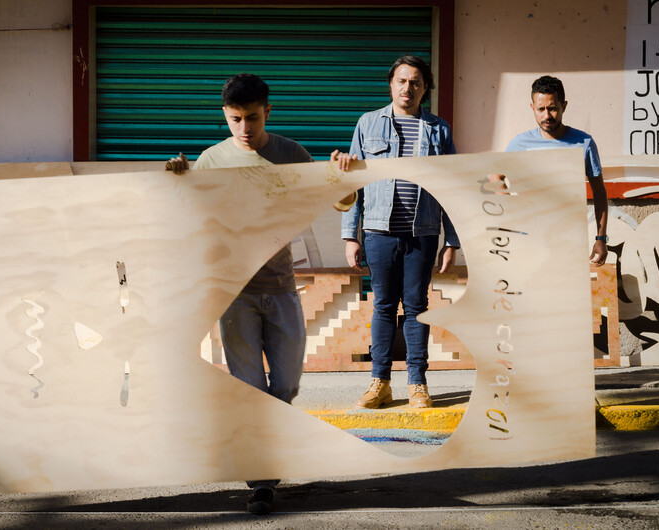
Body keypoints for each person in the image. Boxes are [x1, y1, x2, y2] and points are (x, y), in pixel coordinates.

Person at [166, 73, 312, 515]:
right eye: (235, 119)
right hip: (234, 293)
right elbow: (188, 216)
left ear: (268, 111)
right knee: (249, 389)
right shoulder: (211, 160)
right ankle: (262, 479)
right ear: (225, 116)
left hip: (281, 286)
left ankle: (266, 460)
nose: (244, 128)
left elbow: (337, 201)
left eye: (252, 118)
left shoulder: (291, 154)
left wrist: (343, 174)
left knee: (285, 385)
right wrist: (179, 182)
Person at [332, 55, 460, 410]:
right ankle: (380, 383)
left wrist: (452, 241)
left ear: (425, 88)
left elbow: (452, 187)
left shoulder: (439, 129)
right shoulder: (368, 123)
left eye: (416, 82)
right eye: (402, 81)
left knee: (418, 308)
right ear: (391, 84)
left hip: (422, 232)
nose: (408, 88)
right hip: (379, 231)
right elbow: (352, 181)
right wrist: (350, 235)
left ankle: (417, 383)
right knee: (384, 307)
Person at [505, 75, 608, 265]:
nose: (546, 116)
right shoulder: (518, 145)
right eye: (540, 109)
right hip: (527, 243)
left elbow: (599, 192)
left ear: (564, 106)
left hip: (569, 244)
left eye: (552, 108)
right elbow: (501, 192)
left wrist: (601, 238)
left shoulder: (584, 143)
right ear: (532, 108)